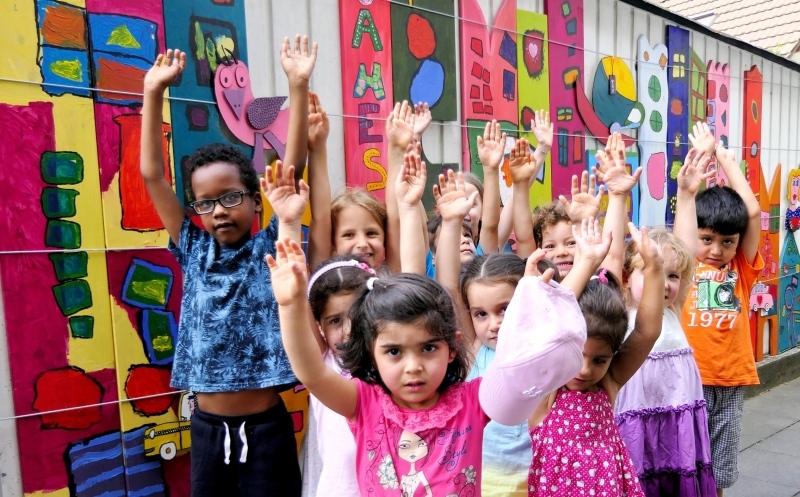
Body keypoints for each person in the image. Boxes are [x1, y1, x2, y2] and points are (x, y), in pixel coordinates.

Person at [139, 35, 316, 496]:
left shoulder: (270, 250)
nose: (219, 211)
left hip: (266, 429)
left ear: (256, 201)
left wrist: (297, 85)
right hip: (206, 429)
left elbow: (289, 168)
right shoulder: (193, 247)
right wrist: (153, 91)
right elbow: (152, 176)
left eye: (231, 198)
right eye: (205, 203)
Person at [681, 123, 764, 496]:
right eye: (707, 239)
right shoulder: (683, 267)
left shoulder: (741, 270)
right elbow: (686, 209)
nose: (716, 250)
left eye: (727, 241)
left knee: (720, 471)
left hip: (730, 381)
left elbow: (754, 213)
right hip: (688, 380)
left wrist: (728, 161)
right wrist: (700, 155)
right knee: (684, 463)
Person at [301, 255, 374, 497]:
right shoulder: (324, 364)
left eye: (358, 314)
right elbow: (298, 319)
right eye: (335, 321)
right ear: (319, 327)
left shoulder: (389, 361)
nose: (349, 329)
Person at [460, 252, 530, 496]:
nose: (494, 324)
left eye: (504, 309)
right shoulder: (472, 351)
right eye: (481, 314)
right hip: (483, 485)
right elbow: (448, 286)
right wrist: (451, 223)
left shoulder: (541, 353)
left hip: (536, 481)